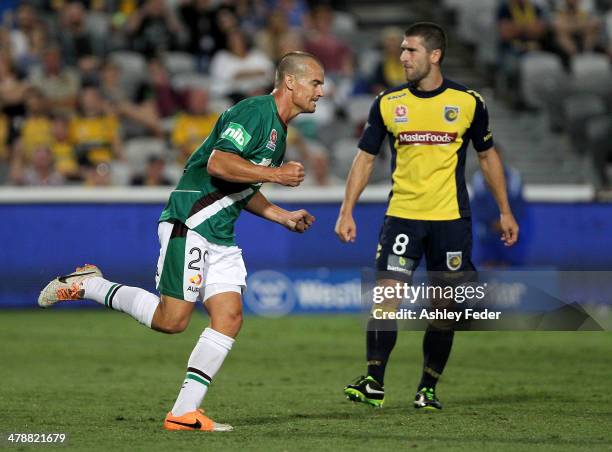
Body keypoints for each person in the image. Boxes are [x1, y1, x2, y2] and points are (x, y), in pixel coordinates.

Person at [38, 51, 324, 431]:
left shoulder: (279, 131)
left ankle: (184, 413)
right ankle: (90, 284)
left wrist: (281, 215)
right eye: (316, 82)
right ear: (291, 82)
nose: (321, 91)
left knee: (230, 317)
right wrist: (275, 175)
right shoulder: (255, 112)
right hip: (191, 222)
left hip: (220, 234)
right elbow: (218, 164)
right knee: (171, 321)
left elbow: (240, 187)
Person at [335, 23, 518, 410]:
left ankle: (427, 388)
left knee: (444, 309)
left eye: (411, 51)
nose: (402, 57)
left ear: (434, 55)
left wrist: (504, 211)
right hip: (402, 218)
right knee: (385, 301)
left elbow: (487, 156)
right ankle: (374, 382)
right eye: (402, 50)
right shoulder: (387, 102)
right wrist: (346, 210)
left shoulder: (468, 102)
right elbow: (366, 158)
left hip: (451, 221)